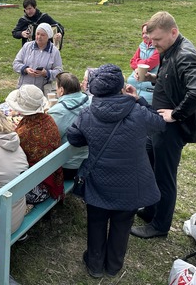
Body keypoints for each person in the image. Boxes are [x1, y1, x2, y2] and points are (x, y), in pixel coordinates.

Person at [67, 64, 165, 279]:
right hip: (132, 183)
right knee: (122, 224)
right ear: (121, 87)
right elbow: (160, 124)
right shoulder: (137, 111)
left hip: (99, 180)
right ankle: (113, 266)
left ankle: (94, 264)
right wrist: (138, 98)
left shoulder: (86, 114)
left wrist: (90, 136)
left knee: (96, 221)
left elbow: (73, 138)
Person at [130, 11, 196, 239]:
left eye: (157, 40)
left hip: (170, 128)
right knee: (150, 164)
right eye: (151, 40)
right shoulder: (169, 48)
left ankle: (160, 226)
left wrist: (175, 114)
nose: (153, 45)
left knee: (164, 176)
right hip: (158, 124)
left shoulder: (185, 55)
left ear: (173, 32)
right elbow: (172, 77)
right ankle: (152, 210)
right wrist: (154, 79)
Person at [6, 84, 64, 203]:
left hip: (39, 186)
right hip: (52, 176)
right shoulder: (48, 119)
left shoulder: (23, 134)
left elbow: (12, 159)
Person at [47, 72, 90, 181]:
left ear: (61, 90)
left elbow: (51, 140)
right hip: (88, 160)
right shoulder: (90, 100)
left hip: (68, 167)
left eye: (56, 88)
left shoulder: (58, 112)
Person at [12, 22, 63, 95]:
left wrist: (46, 73)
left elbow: (59, 71)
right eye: (37, 34)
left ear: (48, 36)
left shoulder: (54, 51)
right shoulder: (27, 46)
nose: (39, 37)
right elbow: (15, 64)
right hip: (24, 89)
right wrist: (26, 69)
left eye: (42, 35)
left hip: (41, 92)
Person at [126, 21, 159, 104]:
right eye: (143, 33)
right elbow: (132, 62)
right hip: (136, 83)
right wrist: (140, 62)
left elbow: (149, 64)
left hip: (149, 87)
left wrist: (138, 61)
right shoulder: (142, 46)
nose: (144, 36)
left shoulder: (159, 47)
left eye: (147, 33)